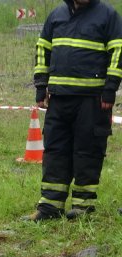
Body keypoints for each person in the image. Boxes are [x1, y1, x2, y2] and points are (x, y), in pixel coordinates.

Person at [24, 0, 122, 221]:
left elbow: (118, 52)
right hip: (59, 99)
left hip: (93, 100)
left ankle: (83, 207)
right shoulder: (57, 14)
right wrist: (41, 85)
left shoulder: (108, 15)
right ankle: (50, 206)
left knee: (88, 151)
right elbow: (43, 48)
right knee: (55, 149)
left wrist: (110, 88)